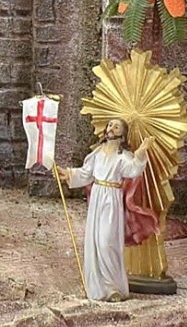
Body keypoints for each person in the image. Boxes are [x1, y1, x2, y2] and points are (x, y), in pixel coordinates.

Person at [57, 118, 155, 301]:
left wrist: (141, 153)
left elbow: (133, 170)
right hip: (97, 197)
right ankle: (98, 288)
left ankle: (113, 287)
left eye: (116, 127)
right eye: (110, 125)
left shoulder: (123, 156)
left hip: (111, 199)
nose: (111, 128)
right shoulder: (97, 153)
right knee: (94, 242)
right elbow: (86, 173)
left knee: (106, 242)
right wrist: (68, 174)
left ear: (122, 134)